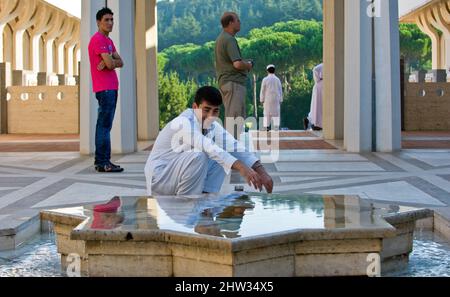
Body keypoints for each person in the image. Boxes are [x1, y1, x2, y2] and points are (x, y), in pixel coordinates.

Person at [144, 86, 274, 197]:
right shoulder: (183, 122)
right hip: (160, 178)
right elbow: (207, 146)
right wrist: (242, 168)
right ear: (195, 107)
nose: (211, 116)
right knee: (200, 155)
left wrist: (262, 172)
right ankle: (188, 204)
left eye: (215, 111)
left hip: (177, 176)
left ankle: (207, 198)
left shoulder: (211, 125)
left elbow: (234, 147)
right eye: (206, 110)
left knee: (223, 153)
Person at [88, 7, 124, 173]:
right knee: (104, 126)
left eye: (111, 20)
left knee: (103, 125)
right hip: (105, 89)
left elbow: (120, 61)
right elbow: (110, 64)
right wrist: (110, 62)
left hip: (111, 87)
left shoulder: (108, 41)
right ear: (98, 22)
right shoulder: (98, 40)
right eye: (106, 20)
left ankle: (102, 161)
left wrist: (111, 62)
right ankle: (103, 162)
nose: (110, 23)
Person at [215, 12, 253, 139]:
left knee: (233, 118)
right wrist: (248, 65)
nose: (239, 22)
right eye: (237, 20)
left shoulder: (221, 38)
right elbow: (237, 64)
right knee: (235, 120)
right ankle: (231, 153)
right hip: (233, 83)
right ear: (230, 23)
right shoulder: (229, 39)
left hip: (227, 83)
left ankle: (231, 150)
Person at [260, 64, 283, 131]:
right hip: (276, 99)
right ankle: (276, 127)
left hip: (267, 99)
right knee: (276, 113)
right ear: (274, 70)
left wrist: (262, 99)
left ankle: (266, 127)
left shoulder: (265, 79)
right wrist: (281, 99)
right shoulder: (277, 79)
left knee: (266, 113)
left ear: (267, 71)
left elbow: (262, 90)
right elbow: (280, 90)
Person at [304, 63, 323, 131]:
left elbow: (315, 69)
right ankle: (317, 124)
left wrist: (317, 80)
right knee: (318, 106)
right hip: (321, 86)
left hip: (320, 85)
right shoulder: (323, 65)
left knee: (317, 106)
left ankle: (313, 121)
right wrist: (317, 80)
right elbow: (315, 69)